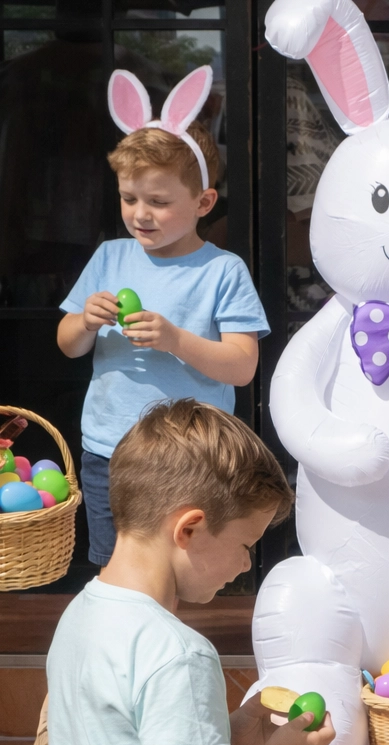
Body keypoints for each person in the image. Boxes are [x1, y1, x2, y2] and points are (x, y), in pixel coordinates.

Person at [40, 399, 335, 745]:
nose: (245, 564)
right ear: (190, 528)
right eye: (245, 545)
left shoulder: (80, 615)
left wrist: (230, 732)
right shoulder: (179, 653)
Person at [56, 68, 269, 567]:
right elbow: (67, 344)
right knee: (115, 566)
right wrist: (85, 321)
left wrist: (175, 339)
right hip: (111, 449)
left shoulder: (221, 269)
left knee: (186, 568)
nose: (140, 214)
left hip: (190, 456)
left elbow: (242, 366)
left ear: (203, 203)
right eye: (129, 199)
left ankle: (173, 644)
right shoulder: (110, 257)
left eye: (158, 202)